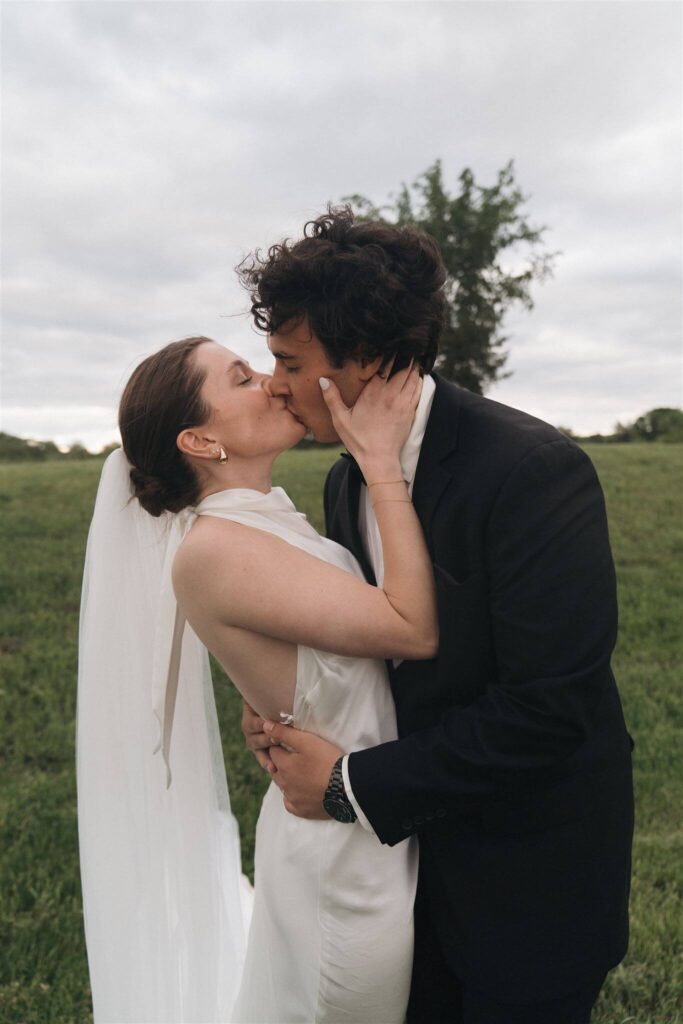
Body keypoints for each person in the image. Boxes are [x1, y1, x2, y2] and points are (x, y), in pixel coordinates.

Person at [238, 206, 635, 1024]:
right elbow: (377, 652)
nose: (272, 380)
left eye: (286, 358)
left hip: (529, 886)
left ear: (369, 358)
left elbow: (545, 710)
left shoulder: (532, 471)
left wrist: (348, 784)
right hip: (408, 878)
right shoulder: (347, 482)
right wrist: (288, 704)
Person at [77, 334, 439, 1023]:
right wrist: (381, 463)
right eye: (242, 378)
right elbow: (410, 627)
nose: (274, 383)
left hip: (370, 821)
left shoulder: (260, 521)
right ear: (200, 440)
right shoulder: (214, 549)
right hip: (343, 864)